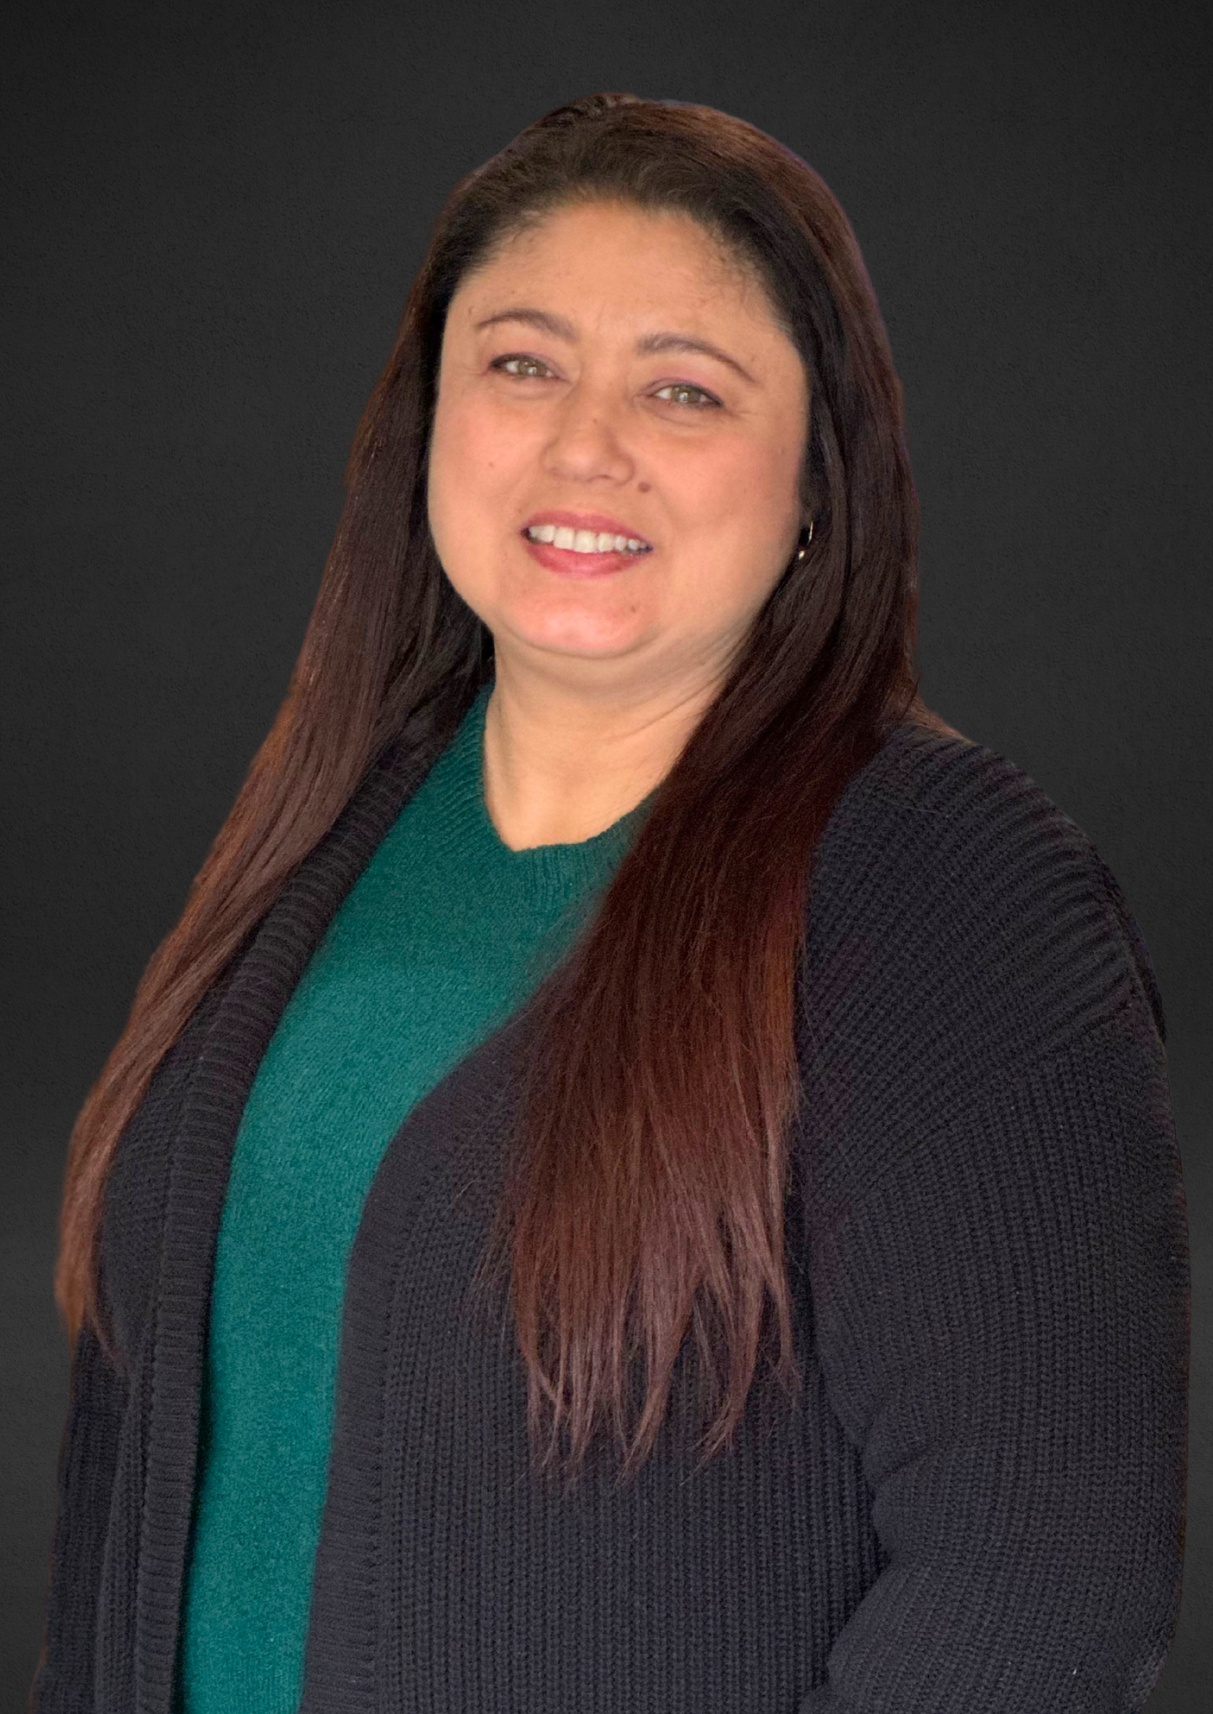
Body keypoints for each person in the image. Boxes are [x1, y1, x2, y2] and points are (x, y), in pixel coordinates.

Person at [33, 93, 1187, 1714]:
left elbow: (1040, 1581)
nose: (586, 444)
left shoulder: (945, 890)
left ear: (814, 487)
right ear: (430, 417)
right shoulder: (335, 831)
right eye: (522, 363)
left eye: (684, 389)